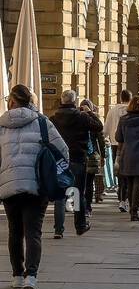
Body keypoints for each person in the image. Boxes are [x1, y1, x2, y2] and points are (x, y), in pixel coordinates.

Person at [0, 84, 70, 289]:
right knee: (33, 232)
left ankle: (17, 276)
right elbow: (63, 150)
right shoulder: (41, 123)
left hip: (9, 185)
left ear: (12, 101)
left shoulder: (1, 125)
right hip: (37, 186)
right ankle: (31, 276)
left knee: (15, 231)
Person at [50, 89, 103, 238]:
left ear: (62, 101)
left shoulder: (53, 118)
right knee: (77, 192)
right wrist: (90, 112)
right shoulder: (82, 117)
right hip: (78, 158)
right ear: (74, 101)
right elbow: (98, 126)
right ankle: (79, 225)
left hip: (59, 160)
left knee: (60, 193)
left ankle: (58, 229)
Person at [104, 88, 132, 211]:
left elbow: (105, 129)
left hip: (116, 144)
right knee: (130, 172)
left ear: (120, 98)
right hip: (130, 145)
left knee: (120, 172)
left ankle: (121, 198)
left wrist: (104, 139)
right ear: (130, 98)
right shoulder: (132, 110)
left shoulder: (112, 110)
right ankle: (127, 198)